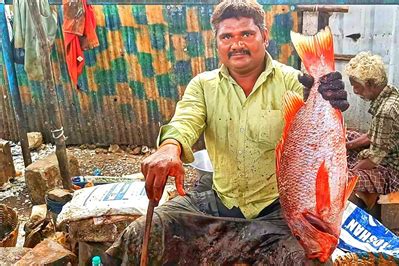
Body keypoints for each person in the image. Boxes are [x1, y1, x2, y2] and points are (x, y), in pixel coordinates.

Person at [105, 0, 348, 264]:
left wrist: (326, 96)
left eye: (247, 34)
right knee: (142, 233)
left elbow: (321, 130)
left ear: (264, 37)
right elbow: (185, 120)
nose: (237, 44)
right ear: (217, 43)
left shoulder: (292, 81)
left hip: (278, 212)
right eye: (227, 37)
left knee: (310, 258)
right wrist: (169, 147)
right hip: (218, 205)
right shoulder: (203, 85)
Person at [344, 51, 399, 210]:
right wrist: (347, 146)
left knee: (343, 179)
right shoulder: (391, 93)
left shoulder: (386, 111)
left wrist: (350, 169)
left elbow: (373, 160)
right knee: (346, 136)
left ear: (370, 84)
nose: (355, 91)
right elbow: (373, 135)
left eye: (357, 86)